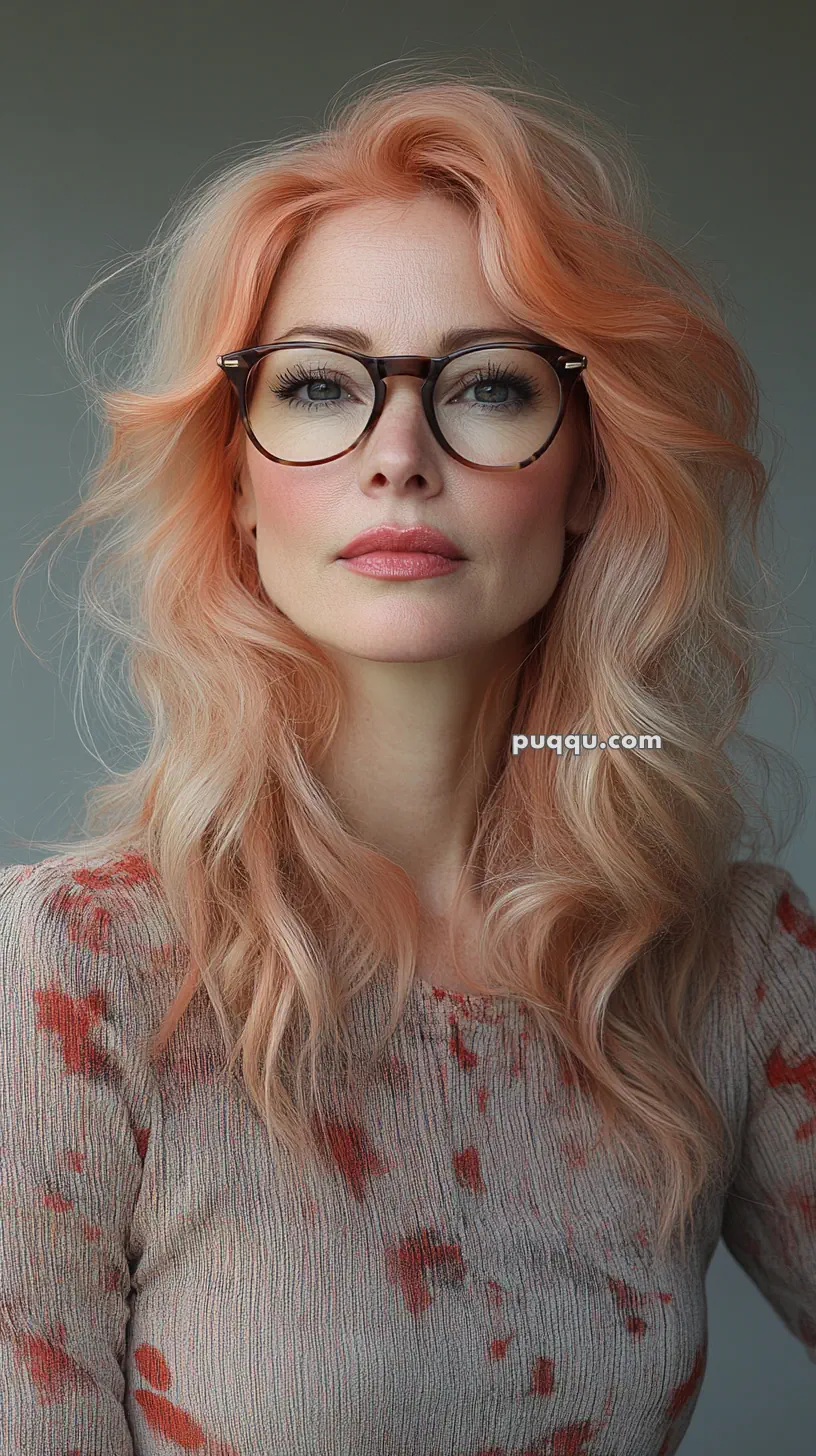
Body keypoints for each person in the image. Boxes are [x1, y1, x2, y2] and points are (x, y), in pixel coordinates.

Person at [2, 68, 814, 1456]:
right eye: (318, 386)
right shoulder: (75, 968)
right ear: (238, 491)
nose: (397, 453)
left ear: (591, 484)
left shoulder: (732, 963)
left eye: (489, 387)